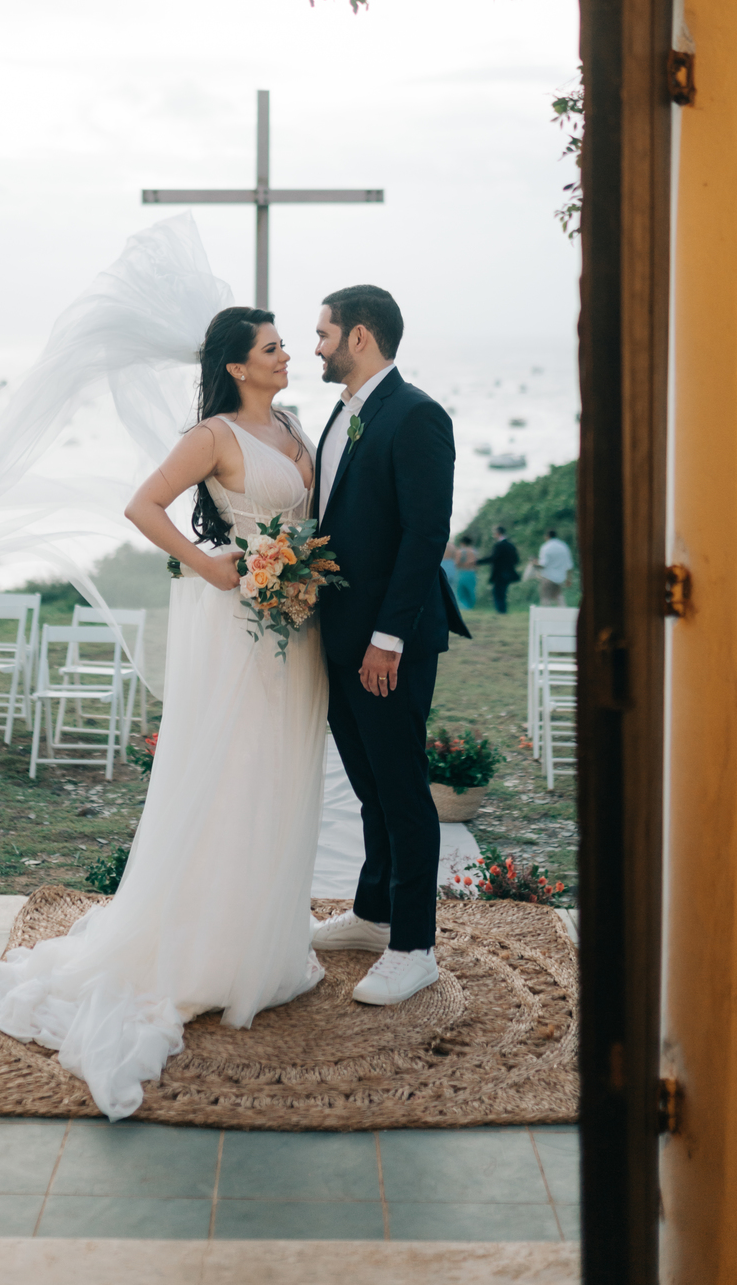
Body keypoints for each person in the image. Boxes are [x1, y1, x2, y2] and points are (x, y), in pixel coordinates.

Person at [0, 304, 328, 1120]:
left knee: (282, 774)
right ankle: (209, 949)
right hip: (240, 618)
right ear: (239, 365)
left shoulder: (293, 424)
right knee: (233, 774)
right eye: (274, 349)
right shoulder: (211, 435)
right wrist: (210, 566)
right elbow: (143, 506)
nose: (287, 358)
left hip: (297, 622)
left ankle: (263, 942)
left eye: (284, 347)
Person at [309, 286, 471, 1006]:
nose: (316, 346)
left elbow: (423, 536)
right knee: (370, 786)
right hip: (342, 637)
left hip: (389, 645)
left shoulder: (417, 415)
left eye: (324, 333)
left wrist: (387, 639)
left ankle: (415, 946)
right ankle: (374, 914)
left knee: (403, 793)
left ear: (361, 337)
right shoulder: (344, 413)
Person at [482, 524, 521, 614]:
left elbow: (493, 558)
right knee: (503, 592)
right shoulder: (511, 545)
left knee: (497, 592)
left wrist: (478, 562)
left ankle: (500, 611)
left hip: (499, 573)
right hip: (508, 572)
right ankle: (502, 610)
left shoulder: (499, 545)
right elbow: (516, 560)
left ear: (497, 533)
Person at [536, 528, 574, 605]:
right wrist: (569, 578)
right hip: (560, 578)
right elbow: (569, 565)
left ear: (547, 536)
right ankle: (563, 613)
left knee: (546, 598)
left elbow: (543, 564)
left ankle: (546, 615)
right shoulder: (564, 546)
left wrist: (534, 564)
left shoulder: (545, 547)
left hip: (548, 577)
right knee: (559, 598)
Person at [453, 532, 478, 609]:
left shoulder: (460, 551)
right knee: (471, 591)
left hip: (462, 572)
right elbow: (477, 563)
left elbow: (457, 563)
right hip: (471, 572)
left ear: (462, 543)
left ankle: (464, 607)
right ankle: (471, 607)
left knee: (461, 592)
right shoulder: (474, 551)